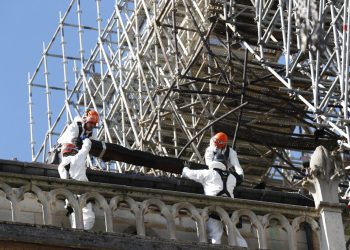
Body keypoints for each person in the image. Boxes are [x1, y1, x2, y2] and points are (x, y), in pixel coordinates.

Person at [181, 154, 247, 246]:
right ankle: (244, 247)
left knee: (216, 234)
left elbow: (188, 174)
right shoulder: (232, 177)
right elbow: (238, 179)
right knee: (235, 235)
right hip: (229, 209)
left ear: (214, 162)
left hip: (214, 208)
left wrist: (185, 168)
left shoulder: (208, 173)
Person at [58, 138, 95, 230]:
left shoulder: (61, 166)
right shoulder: (77, 157)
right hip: (81, 193)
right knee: (88, 217)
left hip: (70, 197)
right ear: (73, 151)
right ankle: (80, 236)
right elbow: (87, 146)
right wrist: (84, 139)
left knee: (74, 218)